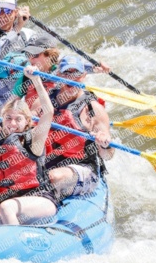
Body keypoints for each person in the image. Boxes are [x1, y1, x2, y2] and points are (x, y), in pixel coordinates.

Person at [0, 51, 58, 225]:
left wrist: (36, 80)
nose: (12, 123)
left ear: (27, 121)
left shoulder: (33, 139)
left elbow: (48, 112)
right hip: (8, 204)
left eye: (18, 119)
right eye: (8, 118)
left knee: (5, 208)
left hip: (39, 201)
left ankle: (16, 241)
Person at [32, 55, 116, 200]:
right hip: (47, 162)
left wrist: (105, 144)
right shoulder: (42, 102)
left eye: (76, 73)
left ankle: (45, 200)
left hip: (82, 167)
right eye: (66, 73)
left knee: (55, 176)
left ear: (83, 76)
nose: (71, 78)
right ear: (58, 75)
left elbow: (108, 156)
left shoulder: (93, 109)